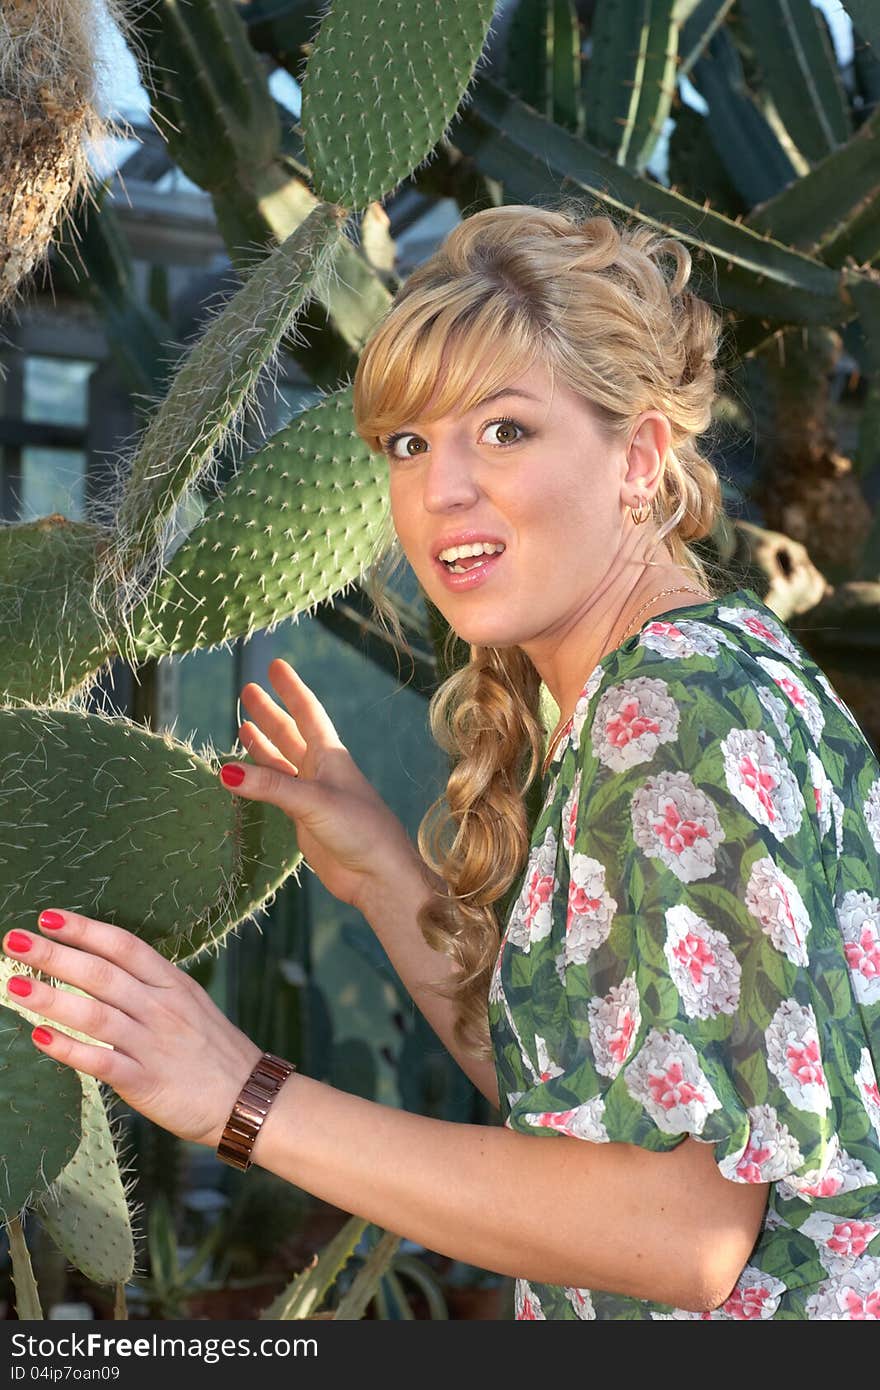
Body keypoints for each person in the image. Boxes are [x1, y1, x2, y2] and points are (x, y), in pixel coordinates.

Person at [4, 203, 879, 1320]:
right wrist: (377, 871)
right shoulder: (709, 662)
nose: (440, 489)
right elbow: (601, 1112)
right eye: (410, 443)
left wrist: (240, 1091)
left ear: (641, 455)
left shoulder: (670, 715)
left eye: (505, 429)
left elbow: (681, 1235)